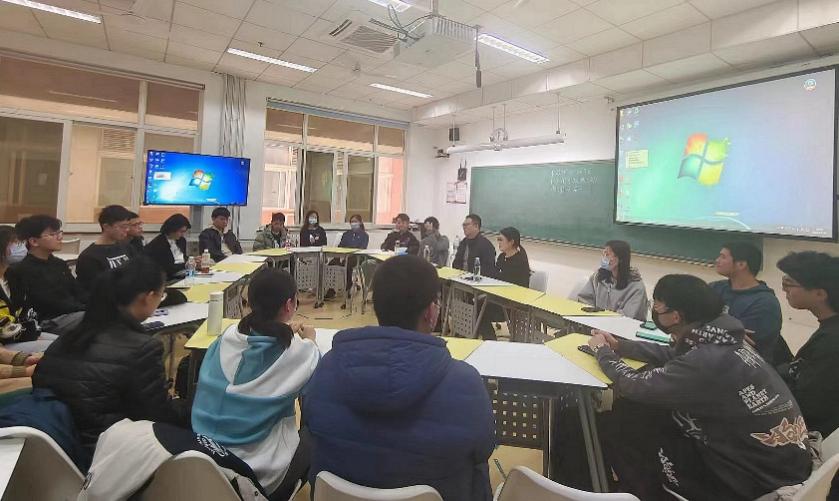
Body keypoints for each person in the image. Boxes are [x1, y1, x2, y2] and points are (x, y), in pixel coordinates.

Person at [588, 274, 811, 500]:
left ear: (676, 316)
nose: (654, 309)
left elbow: (635, 384)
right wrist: (621, 346)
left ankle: (649, 493)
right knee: (635, 411)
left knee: (620, 422)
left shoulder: (706, 361)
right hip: (782, 463)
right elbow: (678, 356)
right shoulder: (724, 338)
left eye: (657, 305)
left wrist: (602, 352)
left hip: (750, 481)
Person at [304, 255, 496, 500]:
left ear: (376, 307)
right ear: (431, 312)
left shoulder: (328, 367)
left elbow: (310, 426)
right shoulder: (466, 382)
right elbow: (484, 447)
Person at [32, 257, 188, 452]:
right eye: (161, 296)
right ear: (148, 298)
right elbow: (159, 416)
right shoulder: (143, 348)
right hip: (108, 451)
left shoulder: (66, 339)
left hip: (59, 446)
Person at [192, 269, 318, 500]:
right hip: (256, 479)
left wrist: (282, 332)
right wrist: (310, 338)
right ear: (289, 305)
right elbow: (312, 361)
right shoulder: (295, 352)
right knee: (315, 433)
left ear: (249, 302)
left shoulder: (226, 337)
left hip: (203, 462)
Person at [776, 251, 839, 437]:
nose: (784, 290)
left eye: (789, 284)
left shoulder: (832, 342)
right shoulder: (829, 329)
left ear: (820, 294)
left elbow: (811, 404)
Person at [12, 215, 87, 334]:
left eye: (59, 233)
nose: (60, 237)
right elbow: (49, 303)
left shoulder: (59, 264)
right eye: (52, 234)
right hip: (49, 320)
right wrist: (86, 308)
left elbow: (77, 290)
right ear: (34, 241)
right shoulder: (23, 269)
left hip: (72, 313)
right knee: (98, 318)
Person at [710, 242, 782, 362]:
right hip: (710, 359)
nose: (717, 260)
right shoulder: (716, 287)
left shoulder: (764, 303)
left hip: (743, 367)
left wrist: (707, 328)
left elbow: (736, 344)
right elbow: (689, 319)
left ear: (741, 264)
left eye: (723, 257)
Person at [0, 226, 56, 353]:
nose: (21, 247)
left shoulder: (13, 276)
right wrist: (30, 335)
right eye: (14, 243)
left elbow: (25, 311)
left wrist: (33, 333)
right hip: (5, 342)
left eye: (20, 243)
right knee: (57, 348)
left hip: (23, 333)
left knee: (64, 342)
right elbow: (3, 328)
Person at [476, 227, 531, 341]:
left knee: (481, 307)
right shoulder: (501, 257)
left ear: (511, 242)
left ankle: (490, 340)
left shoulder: (519, 262)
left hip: (512, 303)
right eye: (498, 239)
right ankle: (479, 336)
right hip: (499, 297)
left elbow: (513, 286)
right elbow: (495, 277)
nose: (498, 242)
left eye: (501, 240)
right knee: (477, 303)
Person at [577, 240, 648, 321]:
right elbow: (584, 299)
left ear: (620, 259)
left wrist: (603, 319)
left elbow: (627, 317)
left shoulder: (636, 287)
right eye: (603, 254)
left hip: (620, 326)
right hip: (595, 322)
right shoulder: (599, 276)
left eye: (607, 255)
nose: (604, 258)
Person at [76, 205, 133, 291]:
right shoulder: (89, 257)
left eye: (128, 226)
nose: (127, 229)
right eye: (122, 226)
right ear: (106, 227)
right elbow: (93, 289)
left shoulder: (127, 247)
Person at [144, 214, 191, 280]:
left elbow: (181, 258)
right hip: (165, 278)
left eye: (184, 231)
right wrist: (186, 264)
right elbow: (167, 267)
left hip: (181, 273)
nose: (183, 234)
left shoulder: (181, 240)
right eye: (181, 231)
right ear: (172, 229)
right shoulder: (158, 244)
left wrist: (192, 260)